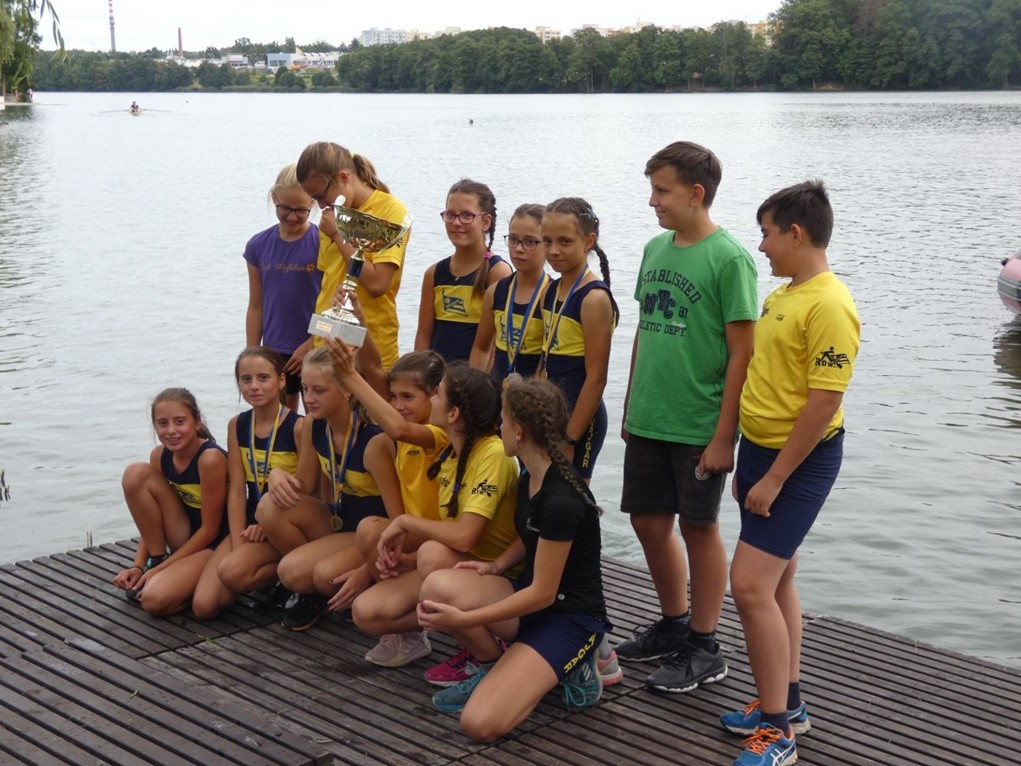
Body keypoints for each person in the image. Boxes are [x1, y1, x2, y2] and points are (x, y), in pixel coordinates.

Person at [720, 181, 859, 766]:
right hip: (762, 452)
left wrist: (775, 477)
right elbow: (767, 378)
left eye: (768, 234)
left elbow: (824, 402)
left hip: (798, 462)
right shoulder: (785, 294)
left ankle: (778, 733)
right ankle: (788, 702)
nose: (762, 245)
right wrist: (746, 457)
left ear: (796, 234)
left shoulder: (830, 304)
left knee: (749, 585)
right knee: (777, 579)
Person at [615, 141, 759, 695]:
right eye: (652, 190)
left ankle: (705, 644)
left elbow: (743, 353)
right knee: (648, 523)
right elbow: (644, 330)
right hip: (651, 414)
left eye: (662, 191)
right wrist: (631, 402)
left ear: (696, 194)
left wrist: (725, 435)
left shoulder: (729, 258)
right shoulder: (655, 248)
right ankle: (674, 624)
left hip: (699, 421)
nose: (653, 201)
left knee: (699, 528)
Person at [416, 377, 609, 741]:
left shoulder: (561, 498)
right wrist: (497, 565)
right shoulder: (531, 475)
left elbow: (543, 594)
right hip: (531, 599)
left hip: (570, 618)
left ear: (518, 432)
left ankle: (576, 666)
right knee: (438, 587)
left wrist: (464, 619)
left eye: (503, 421)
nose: (499, 427)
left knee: (479, 724)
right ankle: (501, 668)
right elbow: (531, 534)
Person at [328, 346, 520, 678]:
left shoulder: (490, 453)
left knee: (431, 560)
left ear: (454, 413)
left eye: (437, 395)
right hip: (464, 562)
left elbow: (464, 536)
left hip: (499, 575)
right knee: (367, 612)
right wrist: (408, 560)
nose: (432, 400)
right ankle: (451, 635)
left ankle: (487, 659)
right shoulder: (451, 449)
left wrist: (348, 375)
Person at [255, 346, 403, 631]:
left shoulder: (374, 442)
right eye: (305, 388)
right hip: (340, 522)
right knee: (271, 514)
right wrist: (276, 475)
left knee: (325, 575)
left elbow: (399, 521)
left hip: (374, 536)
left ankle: (361, 584)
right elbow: (303, 486)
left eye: (319, 390)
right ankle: (317, 595)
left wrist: (366, 570)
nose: (308, 398)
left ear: (347, 389)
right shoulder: (314, 425)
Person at [190, 347, 304, 620]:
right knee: (204, 606)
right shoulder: (237, 425)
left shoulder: (299, 427)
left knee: (234, 572)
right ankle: (260, 566)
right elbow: (238, 492)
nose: (254, 386)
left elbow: (309, 490)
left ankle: (288, 576)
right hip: (250, 524)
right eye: (246, 379)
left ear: (281, 381)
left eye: (263, 378)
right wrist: (238, 539)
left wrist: (269, 525)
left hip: (285, 521)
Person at [112, 388, 227, 616]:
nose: (171, 430)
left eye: (180, 422)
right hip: (183, 536)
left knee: (153, 601)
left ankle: (183, 582)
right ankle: (158, 561)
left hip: (214, 543)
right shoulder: (160, 455)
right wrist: (139, 565)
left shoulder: (210, 459)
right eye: (162, 423)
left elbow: (211, 530)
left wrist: (162, 571)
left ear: (197, 422)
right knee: (135, 473)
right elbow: (150, 520)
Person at [297, 141, 410, 370]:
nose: (322, 205)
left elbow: (377, 284)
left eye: (322, 196)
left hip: (370, 347)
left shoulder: (391, 211)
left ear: (344, 177)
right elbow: (328, 284)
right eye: (315, 199)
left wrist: (338, 234)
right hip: (325, 343)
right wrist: (312, 342)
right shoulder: (330, 216)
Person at [538, 198, 618, 481]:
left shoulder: (593, 298)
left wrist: (570, 438)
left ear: (588, 241)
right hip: (550, 414)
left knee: (570, 499)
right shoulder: (551, 290)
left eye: (565, 241)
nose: (553, 251)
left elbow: (596, 378)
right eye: (547, 241)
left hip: (581, 421)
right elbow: (545, 356)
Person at [244, 164, 322, 411]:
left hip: (314, 349)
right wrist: (253, 354)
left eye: (301, 210)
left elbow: (332, 304)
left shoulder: (323, 244)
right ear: (275, 198)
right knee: (279, 421)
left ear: (313, 203)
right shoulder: (258, 245)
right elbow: (256, 305)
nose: (292, 217)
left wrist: (311, 343)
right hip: (274, 350)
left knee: (315, 418)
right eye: (285, 208)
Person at [416, 179, 512, 363]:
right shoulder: (434, 274)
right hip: (437, 376)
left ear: (486, 222)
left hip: (474, 376)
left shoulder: (497, 272)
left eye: (467, 216)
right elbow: (423, 336)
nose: (456, 223)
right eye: (450, 215)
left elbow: (495, 345)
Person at [469, 203, 550, 383]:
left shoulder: (551, 295)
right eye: (513, 239)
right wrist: (474, 389)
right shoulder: (495, 292)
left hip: (534, 393)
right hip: (497, 389)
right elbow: (481, 348)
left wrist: (534, 394)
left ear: (548, 244)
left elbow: (547, 360)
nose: (519, 248)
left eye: (530, 242)